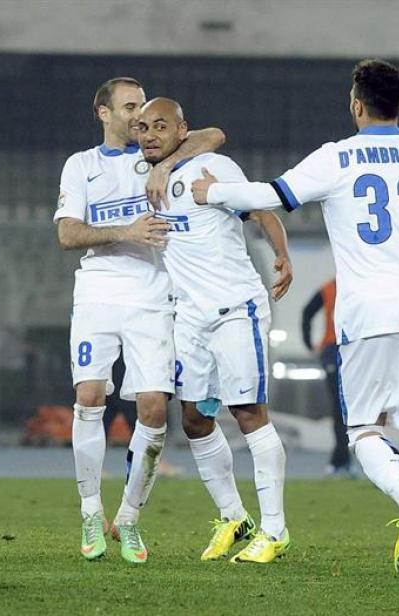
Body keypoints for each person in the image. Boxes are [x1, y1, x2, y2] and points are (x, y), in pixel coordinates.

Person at [192, 59, 399, 580]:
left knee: (365, 431)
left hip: (369, 314)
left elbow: (269, 196)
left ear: (356, 104)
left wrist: (211, 192)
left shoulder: (337, 158)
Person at [55, 76, 225, 564]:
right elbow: (68, 234)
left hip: (154, 297)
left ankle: (128, 518)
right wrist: (126, 231)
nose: (139, 117)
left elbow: (214, 135)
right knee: (90, 395)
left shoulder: (156, 155)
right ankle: (91, 510)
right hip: (99, 292)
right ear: (103, 113)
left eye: (145, 109)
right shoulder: (81, 166)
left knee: (152, 408)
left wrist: (166, 163)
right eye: (129, 107)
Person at [137, 97, 292, 564]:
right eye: (143, 127)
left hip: (234, 310)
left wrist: (282, 255)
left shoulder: (213, 167)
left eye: (160, 126)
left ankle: (275, 529)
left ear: (182, 129)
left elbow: (262, 209)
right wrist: (161, 166)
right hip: (190, 317)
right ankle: (232, 516)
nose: (149, 135)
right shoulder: (142, 173)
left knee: (247, 412)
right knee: (194, 419)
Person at [301, 278, 351, 476]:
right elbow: (307, 312)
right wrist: (308, 343)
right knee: (339, 408)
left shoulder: (361, 284)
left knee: (348, 408)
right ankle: (341, 458)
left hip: (353, 349)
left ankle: (341, 459)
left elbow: (307, 313)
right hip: (334, 349)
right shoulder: (330, 288)